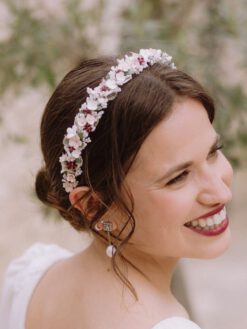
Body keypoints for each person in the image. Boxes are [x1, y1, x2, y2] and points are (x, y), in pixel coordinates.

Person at [0, 49, 233, 329]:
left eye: (213, 152)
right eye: (178, 177)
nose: (221, 193)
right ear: (92, 204)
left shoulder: (31, 279)